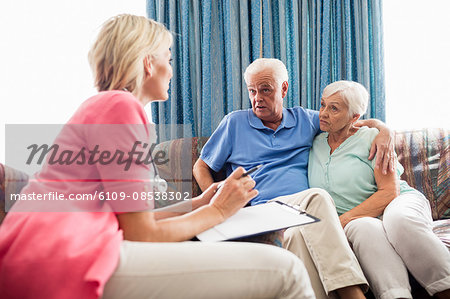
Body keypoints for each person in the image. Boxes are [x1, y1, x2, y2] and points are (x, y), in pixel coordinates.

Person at [0, 15, 315, 299]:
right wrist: (218, 211)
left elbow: (132, 219)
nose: (171, 68)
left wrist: (199, 203)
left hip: (44, 254)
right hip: (65, 257)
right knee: (287, 270)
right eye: (169, 57)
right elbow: (142, 234)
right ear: (148, 63)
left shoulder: (104, 106)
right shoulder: (121, 108)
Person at [194, 58, 396, 298]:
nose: (257, 98)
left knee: (295, 237)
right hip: (261, 210)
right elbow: (201, 167)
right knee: (319, 197)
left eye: (265, 90)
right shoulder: (234, 123)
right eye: (252, 91)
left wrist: (385, 131)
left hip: (300, 216)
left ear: (284, 89)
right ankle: (353, 294)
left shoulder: (305, 120)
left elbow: (354, 121)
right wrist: (220, 202)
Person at [308, 80, 450, 299]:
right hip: (361, 219)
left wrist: (339, 222)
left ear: (355, 117)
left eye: (334, 108)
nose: (323, 113)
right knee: (366, 230)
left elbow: (389, 192)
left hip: (398, 201)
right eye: (322, 104)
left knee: (400, 221)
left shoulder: (372, 138)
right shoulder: (314, 140)